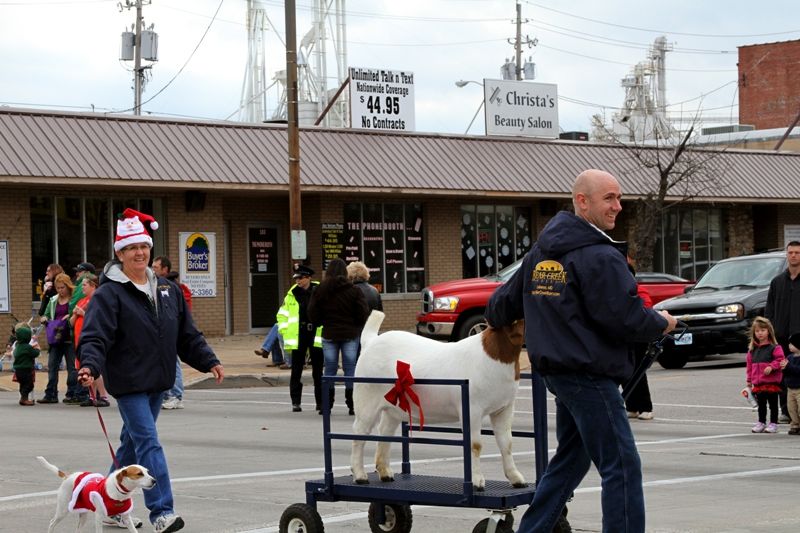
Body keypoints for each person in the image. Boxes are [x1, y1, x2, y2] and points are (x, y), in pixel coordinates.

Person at [485, 169, 677, 533]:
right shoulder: (599, 256)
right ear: (582, 201)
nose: (618, 206)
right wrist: (661, 322)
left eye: (619, 198)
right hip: (590, 377)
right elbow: (624, 317)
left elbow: (499, 307)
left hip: (558, 375)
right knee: (621, 465)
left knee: (572, 459)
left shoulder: (539, 255)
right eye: (609, 198)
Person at [77, 208, 224, 533]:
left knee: (130, 444)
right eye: (131, 248)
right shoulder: (109, 293)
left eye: (143, 246)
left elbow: (187, 334)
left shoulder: (167, 290)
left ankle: (108, 504)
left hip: (159, 380)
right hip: (128, 383)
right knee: (148, 443)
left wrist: (208, 359)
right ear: (120, 253)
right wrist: (89, 365)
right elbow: (95, 336)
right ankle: (162, 512)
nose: (139, 253)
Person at [309, 258, 369, 415]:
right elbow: (362, 313)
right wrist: (354, 324)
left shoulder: (321, 289)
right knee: (350, 368)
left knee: (329, 369)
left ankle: (326, 405)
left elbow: (312, 313)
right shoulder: (354, 290)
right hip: (350, 333)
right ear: (345, 272)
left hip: (329, 333)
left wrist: (323, 322)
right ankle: (352, 404)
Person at [278, 264, 323, 413]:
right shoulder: (292, 294)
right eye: (296, 278)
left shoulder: (320, 291)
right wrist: (285, 331)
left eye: (301, 278)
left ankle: (320, 403)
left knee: (318, 370)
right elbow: (282, 315)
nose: (298, 281)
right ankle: (295, 402)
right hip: (298, 334)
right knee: (296, 370)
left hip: (316, 333)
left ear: (309, 278)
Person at [764, 240, 800, 424]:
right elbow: (769, 310)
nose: (793, 255)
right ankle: (786, 411)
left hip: (799, 340)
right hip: (781, 338)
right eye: (791, 252)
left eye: (797, 252)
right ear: (787, 255)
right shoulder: (777, 282)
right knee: (782, 375)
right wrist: (769, 333)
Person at [38, 272, 86, 405]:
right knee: (52, 365)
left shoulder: (74, 299)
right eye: (58, 288)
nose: (60, 290)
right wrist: (45, 318)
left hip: (69, 337)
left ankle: (71, 393)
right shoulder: (53, 300)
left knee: (72, 367)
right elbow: (46, 314)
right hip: (55, 337)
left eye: (62, 287)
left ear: (68, 286)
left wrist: (69, 315)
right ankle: (50, 394)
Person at [69, 273, 110, 407]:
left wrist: (83, 313)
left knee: (94, 368)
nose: (82, 288)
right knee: (85, 369)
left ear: (93, 285)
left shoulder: (98, 300)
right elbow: (71, 323)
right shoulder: (82, 301)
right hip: (81, 339)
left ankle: (103, 396)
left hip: (93, 339)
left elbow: (100, 319)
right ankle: (92, 396)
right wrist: (75, 314)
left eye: (85, 285)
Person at [153, 256, 187, 411]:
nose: (153, 270)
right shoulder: (156, 286)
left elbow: (180, 313)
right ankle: (170, 394)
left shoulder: (171, 288)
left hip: (170, 332)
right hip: (162, 333)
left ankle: (175, 395)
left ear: (165, 270)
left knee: (173, 363)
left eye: (156, 268)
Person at [625, 259, 655, 421]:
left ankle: (646, 407)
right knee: (625, 371)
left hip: (638, 337)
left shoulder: (638, 291)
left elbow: (645, 311)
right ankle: (632, 406)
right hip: (624, 336)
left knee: (637, 371)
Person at [745, 316, 785, 434]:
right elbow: (749, 367)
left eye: (763, 330)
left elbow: (780, 360)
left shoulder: (775, 347)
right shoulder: (752, 350)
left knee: (773, 404)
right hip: (758, 383)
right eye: (757, 331)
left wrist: (771, 366)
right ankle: (761, 422)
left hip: (771, 383)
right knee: (761, 405)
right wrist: (749, 380)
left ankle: (773, 423)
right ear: (754, 333)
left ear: (769, 331)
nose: (760, 333)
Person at [12, 323, 39, 406]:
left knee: (22, 384)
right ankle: (24, 399)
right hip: (26, 370)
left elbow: (15, 354)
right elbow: (35, 353)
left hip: (18, 370)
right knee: (29, 384)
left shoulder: (17, 346)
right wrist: (37, 349)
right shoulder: (27, 347)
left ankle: (23, 398)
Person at [780, 332, 800, 435]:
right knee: (791, 408)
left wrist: (788, 367)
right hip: (790, 388)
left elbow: (797, 370)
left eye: (791, 344)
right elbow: (786, 370)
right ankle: (795, 425)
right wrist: (783, 368)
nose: (789, 346)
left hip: (799, 388)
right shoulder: (789, 357)